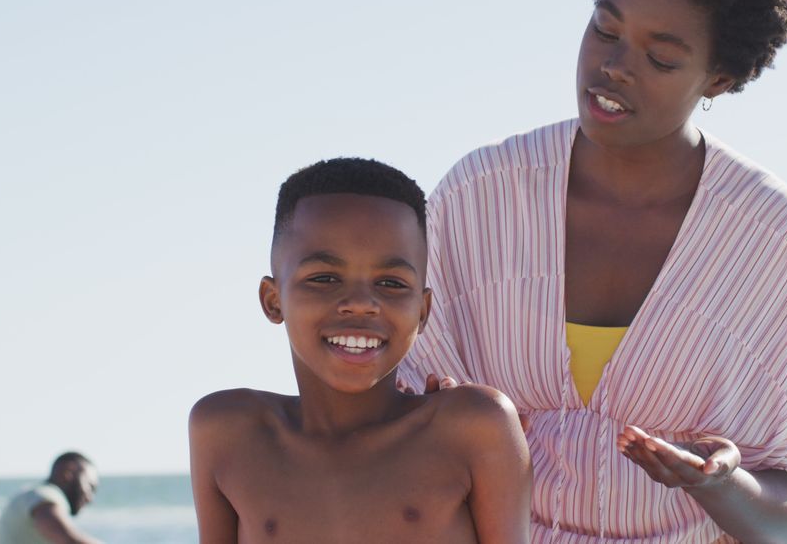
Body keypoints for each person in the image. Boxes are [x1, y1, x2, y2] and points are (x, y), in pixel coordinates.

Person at [397, 0, 787, 542]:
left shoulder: (774, 242)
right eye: (605, 30)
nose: (615, 66)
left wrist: (717, 484)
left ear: (719, 78)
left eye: (659, 59)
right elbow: (390, 414)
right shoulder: (478, 195)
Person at [188, 158, 531, 543]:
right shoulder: (228, 431)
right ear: (273, 300)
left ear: (422, 311)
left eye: (390, 282)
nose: (360, 302)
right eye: (324, 278)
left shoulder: (473, 427)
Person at [0, 451, 102, 544]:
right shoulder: (46, 495)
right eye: (90, 487)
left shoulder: (30, 495)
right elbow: (70, 540)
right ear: (67, 474)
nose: (90, 498)